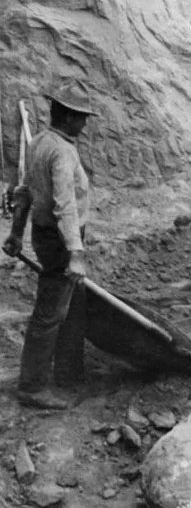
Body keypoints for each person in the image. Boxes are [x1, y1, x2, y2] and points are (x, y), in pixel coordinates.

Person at [2, 79, 98, 410]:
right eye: (82, 116)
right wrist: (75, 254)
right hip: (60, 240)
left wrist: (16, 233)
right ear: (69, 116)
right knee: (50, 313)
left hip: (48, 236)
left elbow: (25, 191)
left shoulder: (40, 142)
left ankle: (69, 376)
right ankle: (32, 386)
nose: (85, 123)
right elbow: (64, 206)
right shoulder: (61, 152)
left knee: (74, 307)